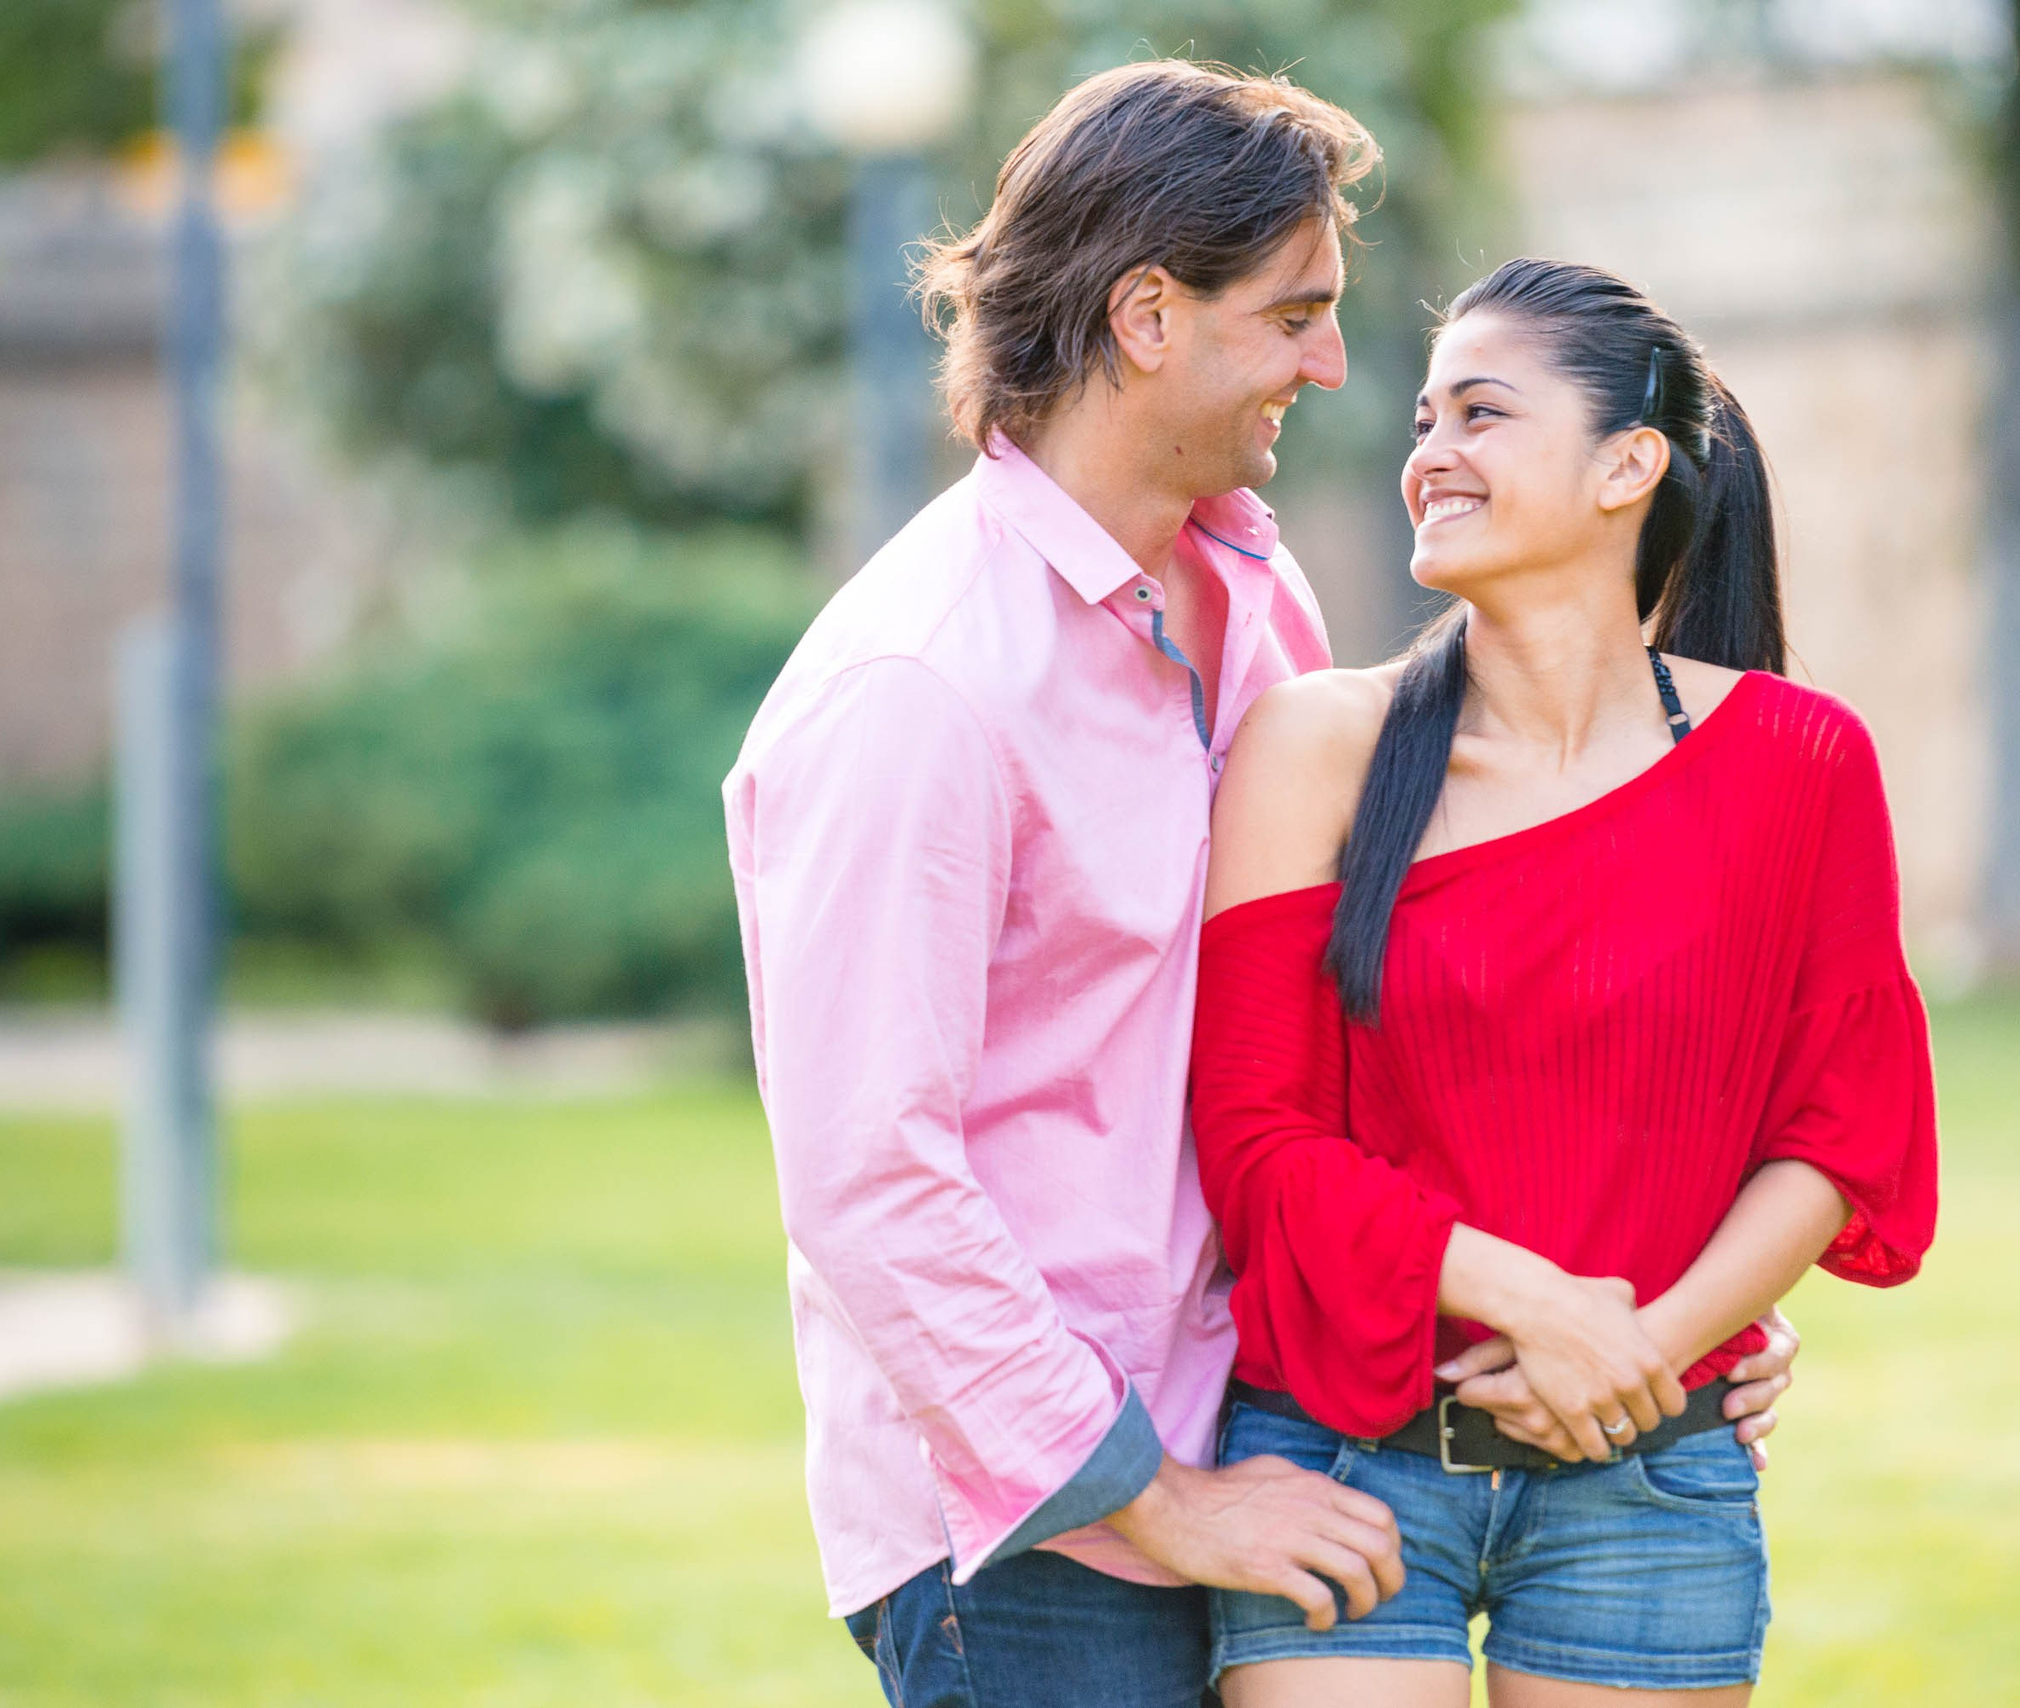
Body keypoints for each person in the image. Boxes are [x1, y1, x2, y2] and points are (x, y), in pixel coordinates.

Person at [725, 66, 1799, 1708]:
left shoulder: (1251, 592)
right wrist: (1157, 1499)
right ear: (1149, 315)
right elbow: (870, 1181)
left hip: (1269, 1430)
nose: (1336, 365)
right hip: (1039, 1546)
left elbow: (1344, 1033)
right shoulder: (920, 682)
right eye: (1296, 313)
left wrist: (1645, 1314)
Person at [1191, 258, 1939, 1707]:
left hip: (1647, 1479)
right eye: (1422, 422)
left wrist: (1636, 1357)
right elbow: (1254, 1141)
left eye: (1480, 414)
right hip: (1343, 1469)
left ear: (1628, 465)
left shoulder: (1802, 761)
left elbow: (1839, 1136)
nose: (1428, 458)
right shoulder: (1317, 745)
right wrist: (1546, 1304)